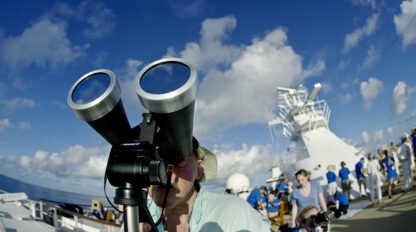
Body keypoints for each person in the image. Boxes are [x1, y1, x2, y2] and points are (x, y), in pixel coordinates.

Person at [144, 138, 271, 232]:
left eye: (176, 158)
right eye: (151, 159)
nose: (160, 171)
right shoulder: (135, 216)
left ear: (199, 170)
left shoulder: (235, 213)